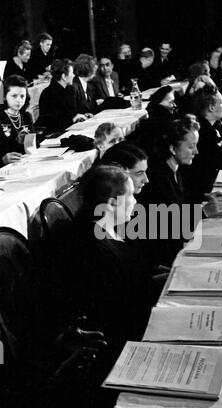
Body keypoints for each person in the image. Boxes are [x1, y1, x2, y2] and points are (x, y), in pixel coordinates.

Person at [75, 165, 161, 360]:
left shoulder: (114, 229)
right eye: (131, 196)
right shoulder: (95, 248)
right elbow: (126, 304)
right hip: (125, 343)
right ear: (113, 203)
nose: (135, 201)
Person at [138, 117, 199, 266]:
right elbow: (167, 226)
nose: (196, 152)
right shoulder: (156, 178)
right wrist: (202, 213)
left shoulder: (174, 168)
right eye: (191, 147)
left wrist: (205, 198)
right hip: (164, 258)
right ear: (172, 148)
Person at [37, 59, 88, 133]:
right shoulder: (48, 94)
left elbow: (73, 112)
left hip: (72, 129)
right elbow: (52, 123)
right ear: (63, 76)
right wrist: (73, 119)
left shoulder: (70, 90)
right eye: (72, 73)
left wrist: (82, 115)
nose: (74, 75)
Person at [0, 75, 33, 166]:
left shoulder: (26, 116)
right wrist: (2, 159)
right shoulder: (1, 118)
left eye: (22, 96)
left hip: (26, 163)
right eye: (14, 96)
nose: (19, 100)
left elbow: (33, 146)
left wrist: (27, 142)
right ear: (4, 97)